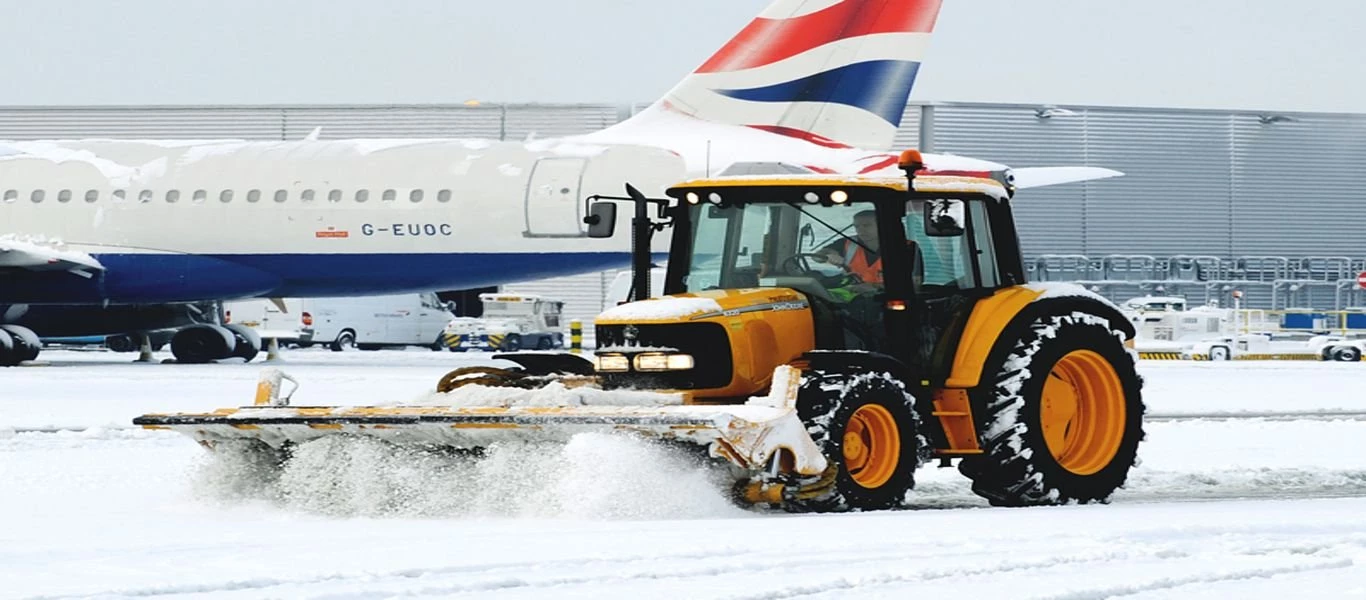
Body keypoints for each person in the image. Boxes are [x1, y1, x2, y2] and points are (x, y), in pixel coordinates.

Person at [814, 210, 882, 296]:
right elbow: (816, 257)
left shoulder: (901, 247)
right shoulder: (848, 243)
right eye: (857, 226)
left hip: (887, 298)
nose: (860, 230)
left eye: (866, 225)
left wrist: (874, 286)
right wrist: (828, 255)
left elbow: (903, 283)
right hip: (851, 295)